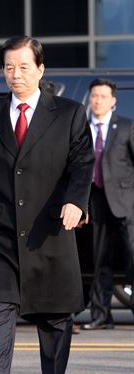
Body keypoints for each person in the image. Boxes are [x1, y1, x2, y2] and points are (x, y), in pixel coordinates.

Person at [0, 35, 93, 374]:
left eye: (23, 67)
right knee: (0, 305)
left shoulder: (69, 113)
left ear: (40, 69)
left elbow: (82, 164)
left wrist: (76, 201)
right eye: (8, 67)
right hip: (1, 227)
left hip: (49, 228)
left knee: (53, 313)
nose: (15, 74)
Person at [81, 78, 134, 330]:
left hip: (126, 203)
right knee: (100, 261)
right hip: (96, 201)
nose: (97, 100)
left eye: (103, 96)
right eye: (94, 96)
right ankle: (101, 316)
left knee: (132, 257)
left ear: (113, 100)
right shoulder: (82, 129)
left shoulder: (126, 126)